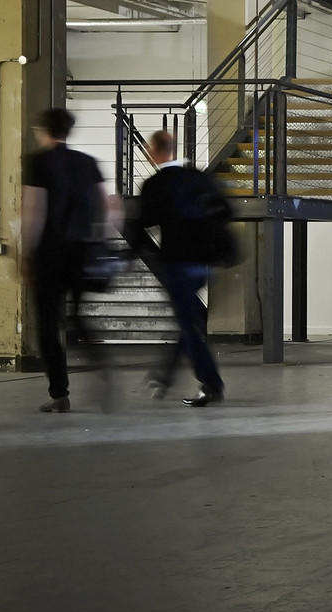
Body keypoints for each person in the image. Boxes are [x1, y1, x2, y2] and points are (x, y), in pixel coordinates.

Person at [132, 129, 232, 406]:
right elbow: (226, 211)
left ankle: (211, 384)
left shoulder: (155, 184)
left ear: (154, 151)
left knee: (188, 325)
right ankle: (164, 377)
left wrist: (132, 255)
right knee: (188, 319)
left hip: (177, 263)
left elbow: (142, 223)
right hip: (203, 264)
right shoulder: (199, 177)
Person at [23, 107, 111, 414]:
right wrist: (98, 239)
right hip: (82, 252)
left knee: (48, 325)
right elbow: (108, 206)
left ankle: (59, 394)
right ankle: (100, 362)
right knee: (77, 315)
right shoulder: (87, 162)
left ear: (43, 130)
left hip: (50, 253)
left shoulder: (38, 162)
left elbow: (35, 211)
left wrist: (27, 253)